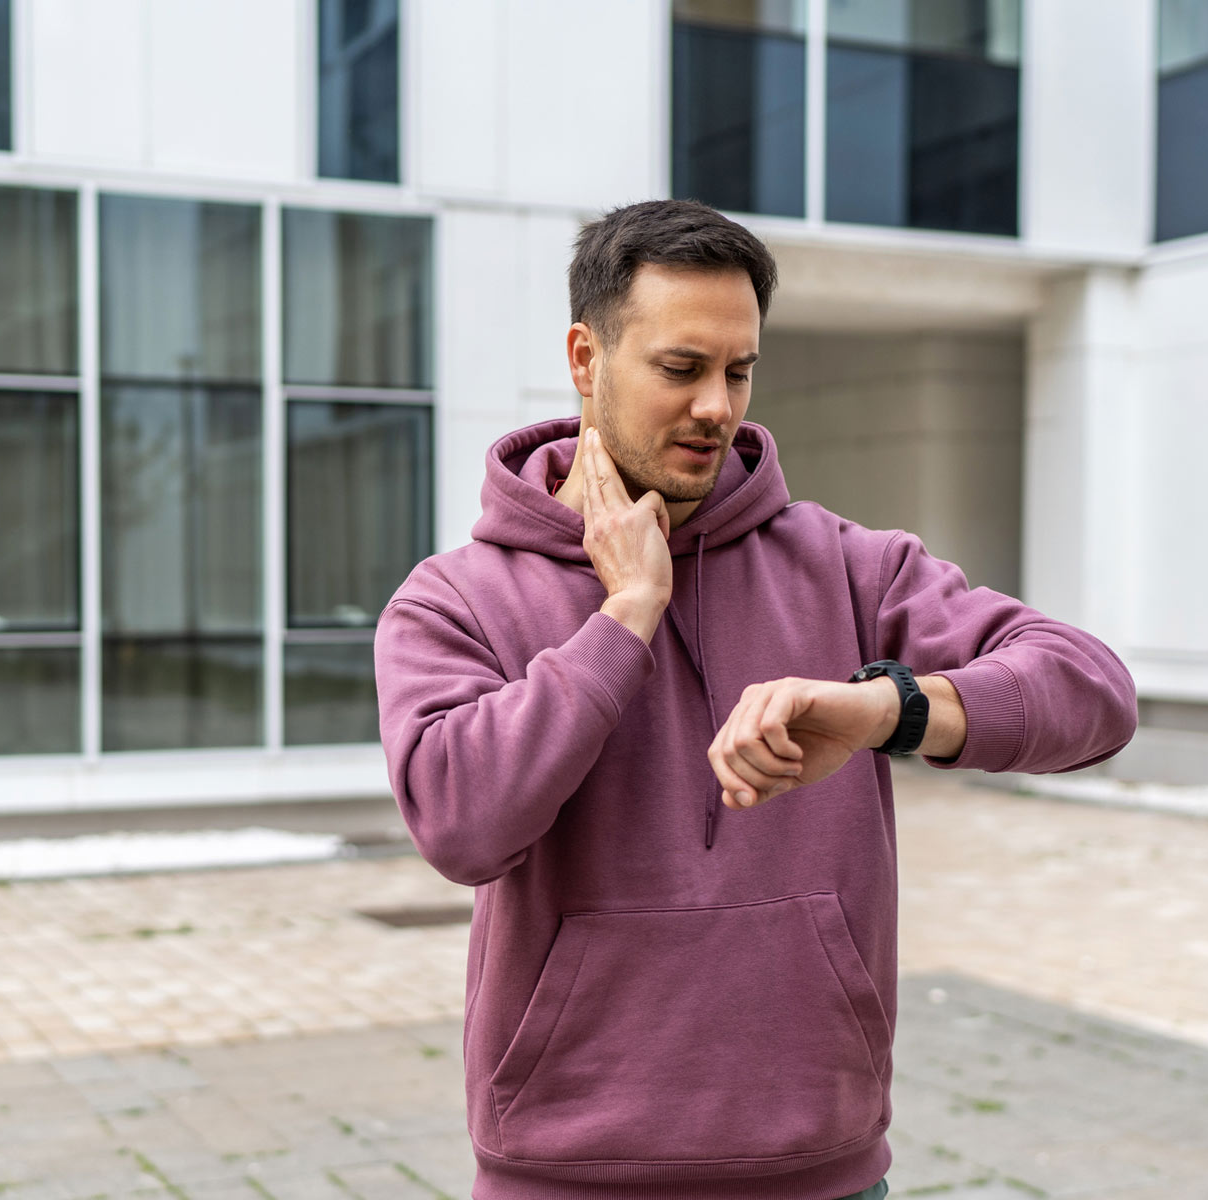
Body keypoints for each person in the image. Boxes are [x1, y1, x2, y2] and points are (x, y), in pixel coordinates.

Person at [373, 199, 1136, 1200]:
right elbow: (460, 827)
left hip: (819, 1173)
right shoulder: (456, 596)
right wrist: (625, 615)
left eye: (737, 371)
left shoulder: (842, 567)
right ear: (584, 358)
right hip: (568, 1174)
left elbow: (1091, 691)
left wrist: (882, 710)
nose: (715, 406)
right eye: (680, 368)